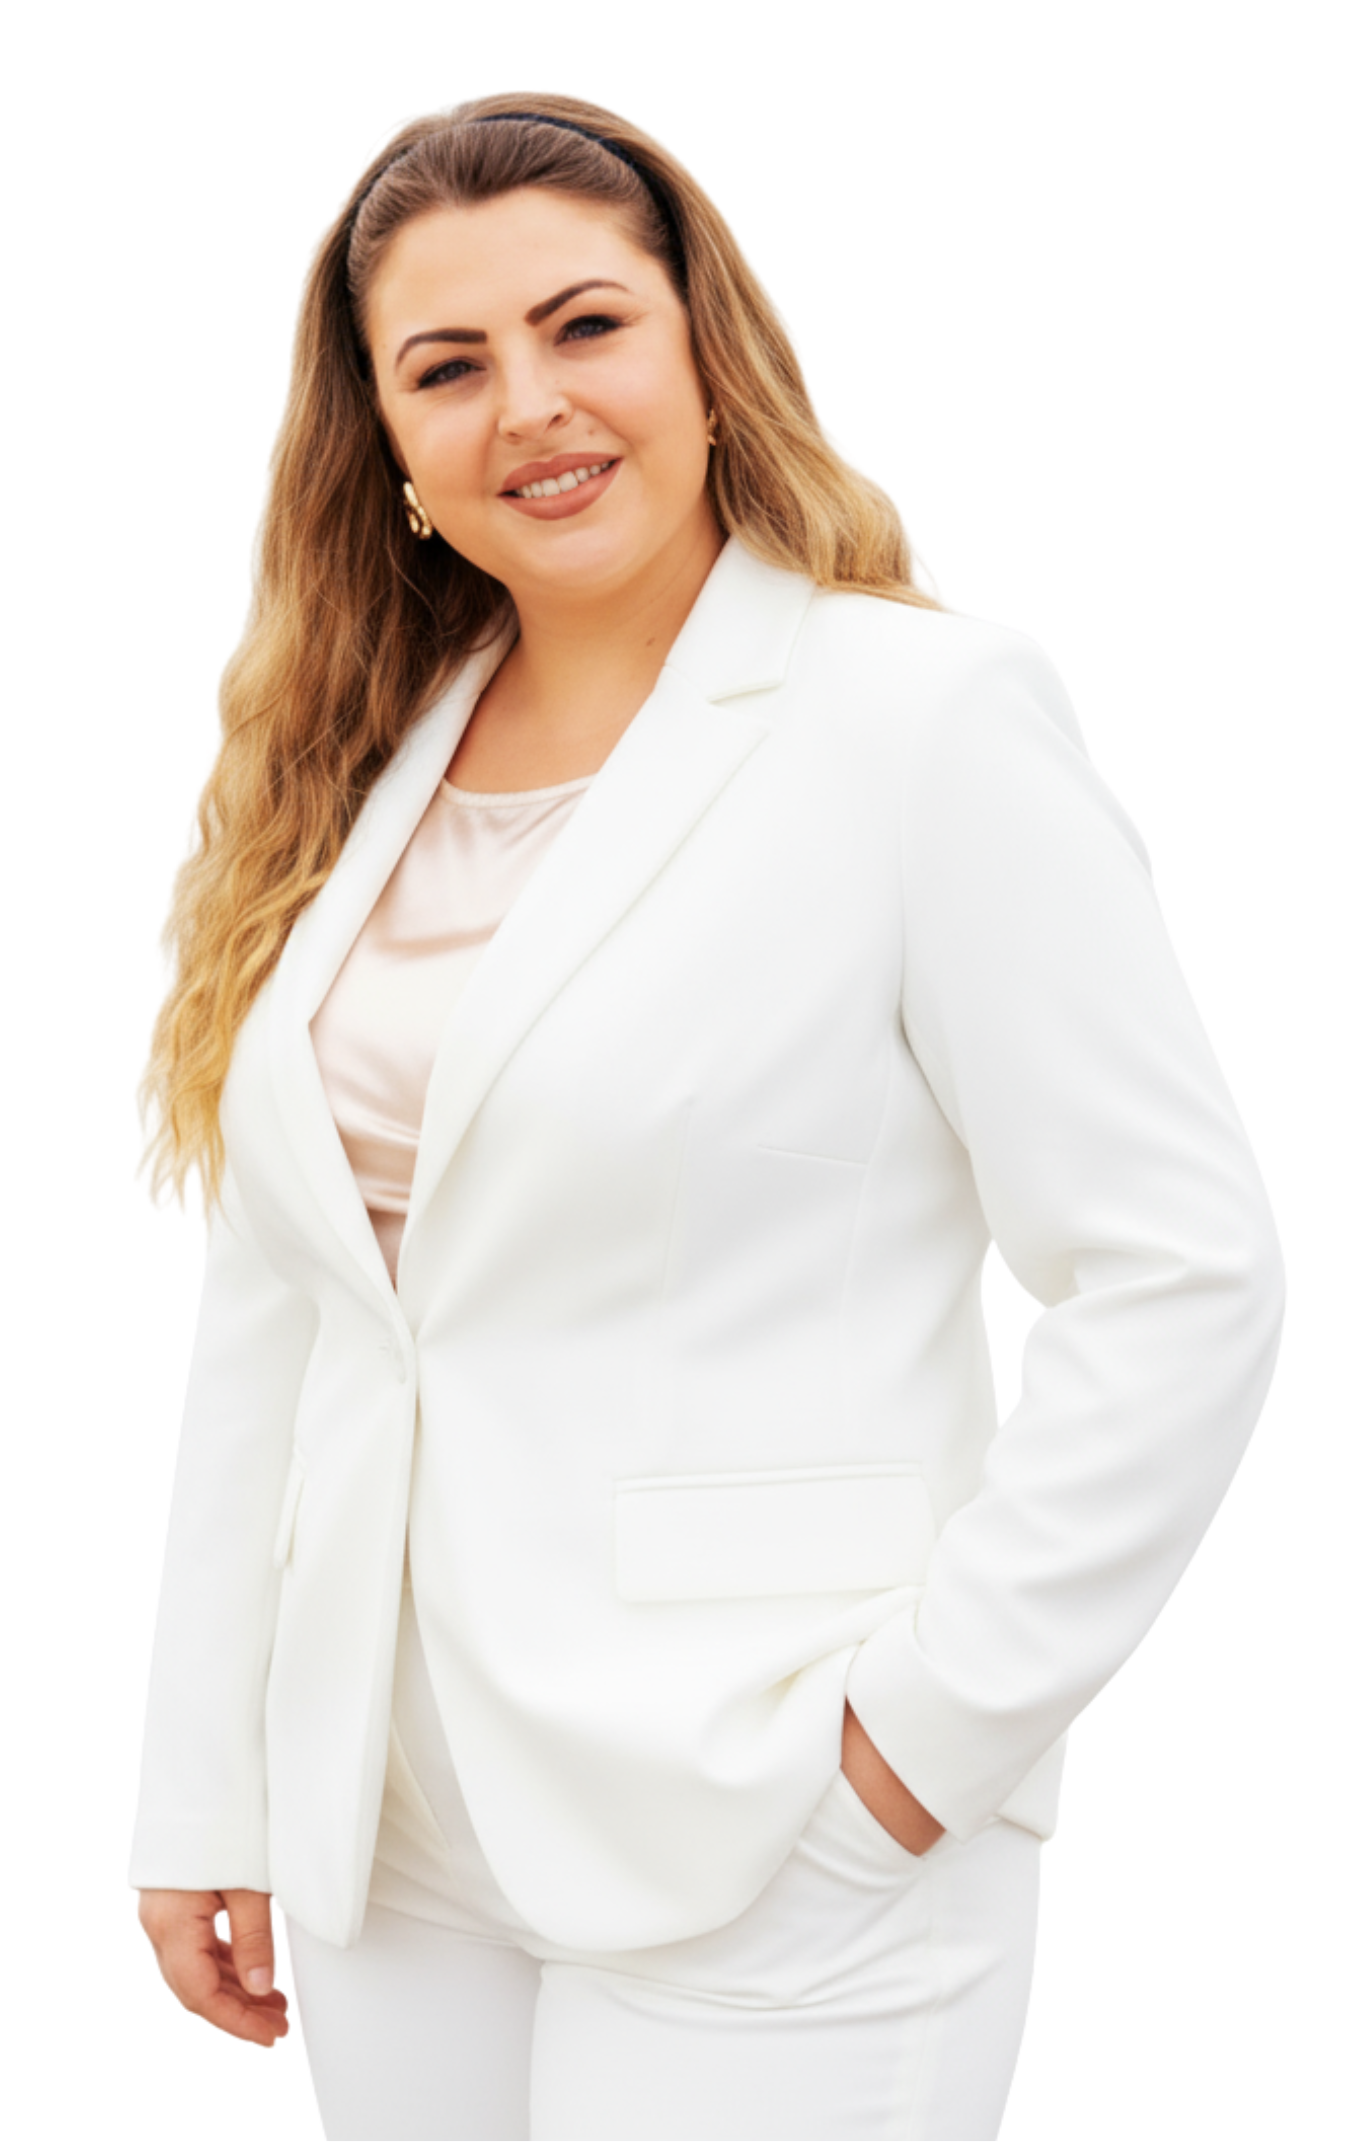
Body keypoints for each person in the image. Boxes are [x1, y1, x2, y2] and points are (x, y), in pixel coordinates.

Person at [129, 89, 1286, 2142]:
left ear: (706, 352)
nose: (531, 406)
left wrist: (920, 1746)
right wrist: (207, 1782)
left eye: (585, 326)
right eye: (448, 366)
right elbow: (291, 1304)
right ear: (383, 443)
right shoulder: (347, 770)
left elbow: (1181, 1274)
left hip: (771, 1802)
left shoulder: (921, 720)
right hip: (389, 1826)